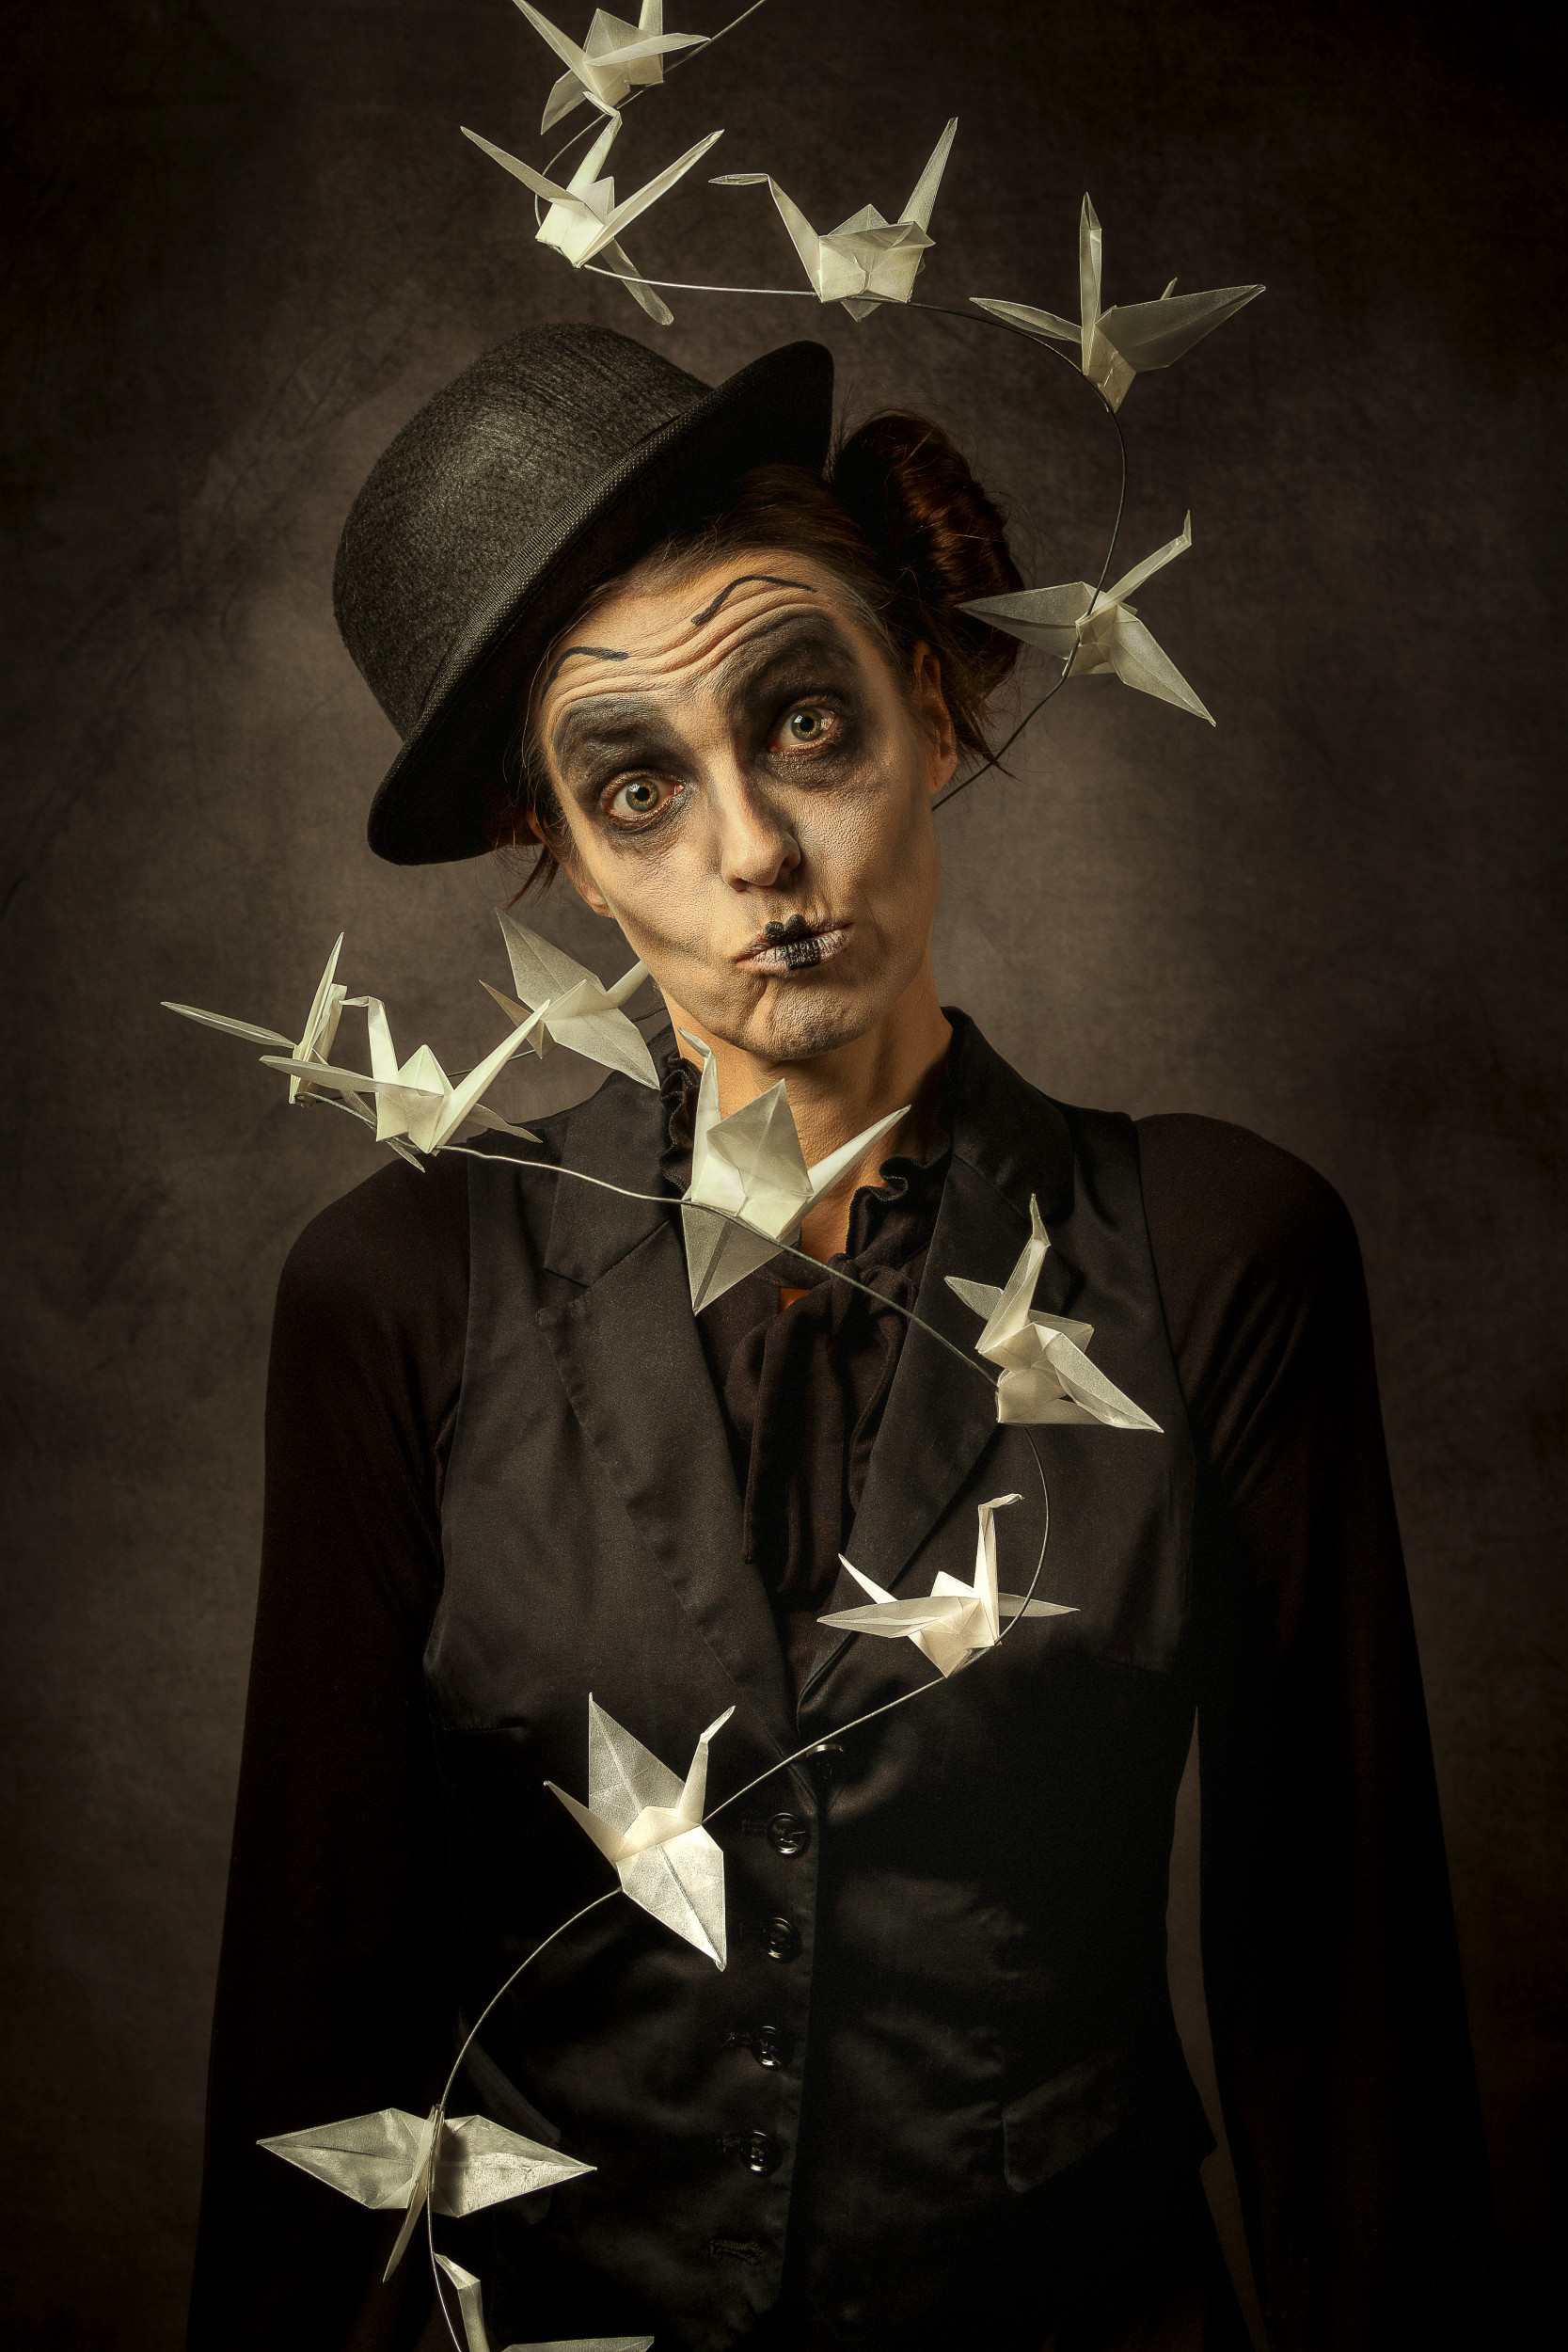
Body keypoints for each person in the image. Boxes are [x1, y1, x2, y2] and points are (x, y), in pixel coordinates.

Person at [186, 325, 1496, 2352]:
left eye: (801, 720)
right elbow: (317, 2041)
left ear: (930, 697)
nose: (756, 853)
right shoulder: (396, 1292)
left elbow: (1342, 2015)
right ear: (566, 855)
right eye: (639, 787)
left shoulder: (1226, 1257)